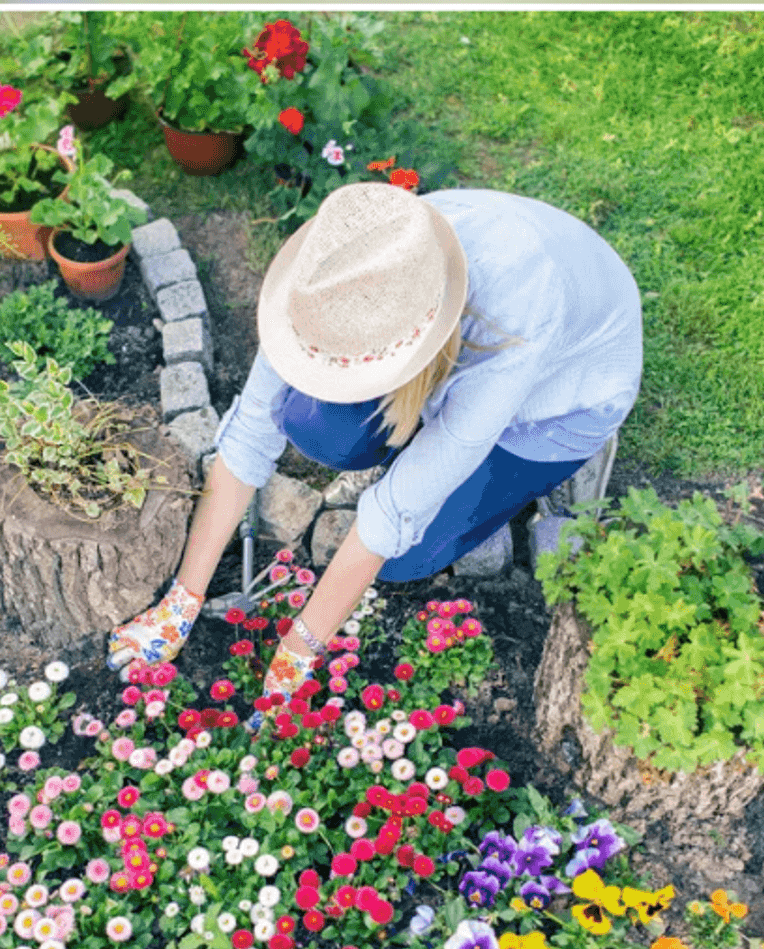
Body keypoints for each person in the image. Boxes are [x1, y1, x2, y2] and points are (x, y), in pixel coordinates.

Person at [107, 180, 641, 697]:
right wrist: (182, 600)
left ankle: (535, 483)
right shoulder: (345, 270)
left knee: (408, 558)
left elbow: (391, 517)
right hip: (441, 354)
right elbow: (250, 432)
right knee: (316, 426)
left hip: (556, 405)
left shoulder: (511, 325)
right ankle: (420, 440)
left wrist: (297, 651)